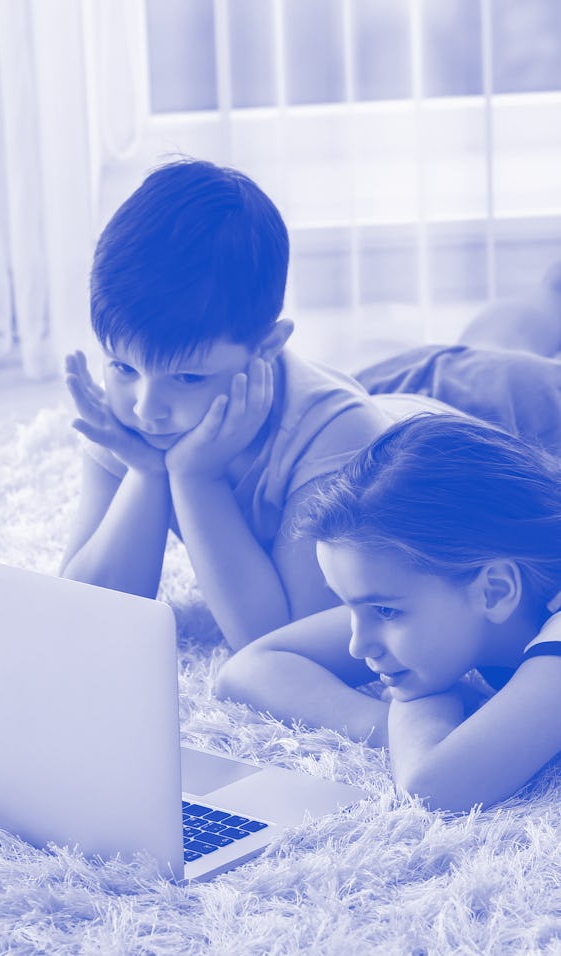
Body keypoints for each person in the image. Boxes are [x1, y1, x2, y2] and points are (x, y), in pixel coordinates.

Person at [60, 156, 561, 659]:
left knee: (511, 359)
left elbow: (279, 644)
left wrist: (195, 479)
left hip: (479, 424)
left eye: (188, 377)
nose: (148, 409)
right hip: (384, 398)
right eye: (123, 368)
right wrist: (146, 475)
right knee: (491, 341)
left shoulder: (332, 436)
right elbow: (82, 612)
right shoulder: (136, 418)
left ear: (268, 346)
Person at [224, 413, 561, 812]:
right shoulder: (457, 595)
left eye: (385, 611)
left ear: (495, 590)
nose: (357, 645)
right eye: (349, 606)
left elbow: (435, 786)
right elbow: (249, 668)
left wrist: (420, 708)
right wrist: (388, 726)